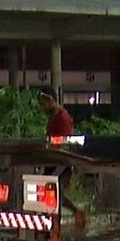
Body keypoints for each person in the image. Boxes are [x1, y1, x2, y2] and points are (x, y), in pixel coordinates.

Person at [38, 90, 86, 229]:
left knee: (54, 194)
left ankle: (56, 229)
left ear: (50, 100)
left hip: (60, 161)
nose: (42, 108)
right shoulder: (55, 116)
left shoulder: (62, 117)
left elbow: (65, 142)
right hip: (53, 160)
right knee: (55, 194)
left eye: (43, 104)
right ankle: (71, 215)